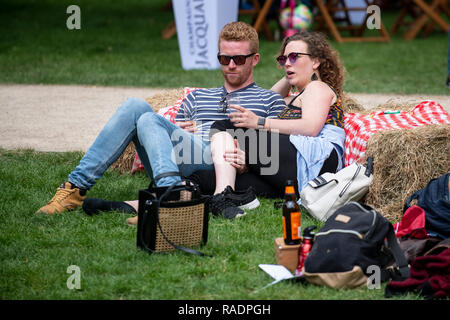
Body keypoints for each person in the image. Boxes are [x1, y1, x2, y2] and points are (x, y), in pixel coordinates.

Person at [36, 21, 286, 220]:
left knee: (149, 119)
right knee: (137, 108)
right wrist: (173, 131)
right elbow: (166, 134)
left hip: (219, 167)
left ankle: (168, 197)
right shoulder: (197, 97)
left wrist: (249, 163)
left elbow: (278, 157)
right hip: (181, 159)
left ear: (254, 59)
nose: (231, 65)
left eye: (239, 59)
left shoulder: (268, 101)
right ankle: (74, 188)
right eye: (224, 59)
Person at [203, 30, 346, 217]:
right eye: (283, 59)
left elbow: (311, 128)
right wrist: (291, 73)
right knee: (205, 178)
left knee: (226, 126)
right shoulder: (294, 98)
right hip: (293, 168)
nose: (287, 63)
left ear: (315, 61)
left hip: (315, 161)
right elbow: (267, 101)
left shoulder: (317, 88)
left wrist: (261, 123)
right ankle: (223, 195)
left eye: (294, 57)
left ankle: (223, 195)